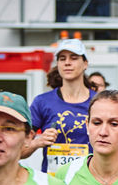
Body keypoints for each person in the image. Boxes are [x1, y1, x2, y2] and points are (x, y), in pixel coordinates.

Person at [25, 38, 97, 176]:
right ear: (57, 64)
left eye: (74, 58)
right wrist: (37, 142)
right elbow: (19, 150)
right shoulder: (42, 102)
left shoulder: (100, 101)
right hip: (54, 183)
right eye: (62, 58)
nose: (67, 63)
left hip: (90, 181)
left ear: (85, 64)